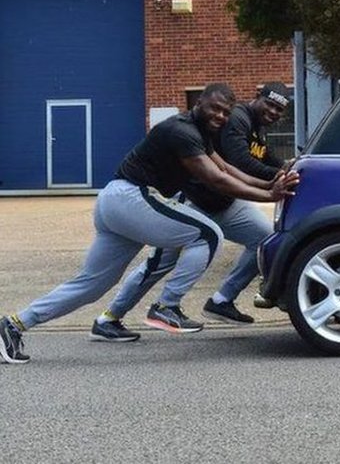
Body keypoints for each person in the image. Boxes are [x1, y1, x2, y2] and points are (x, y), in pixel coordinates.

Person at [0, 84, 300, 364]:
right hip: (132, 197)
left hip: (116, 204)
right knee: (207, 235)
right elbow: (216, 179)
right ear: (199, 103)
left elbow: (227, 168)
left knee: (91, 285)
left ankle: (13, 325)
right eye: (215, 108)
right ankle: (166, 307)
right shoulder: (179, 130)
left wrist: (269, 185)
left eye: (225, 111)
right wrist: (268, 194)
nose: (220, 115)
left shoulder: (201, 133)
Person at [88, 82, 296, 342]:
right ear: (258, 97)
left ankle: (222, 300)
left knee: (265, 239)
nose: (274, 112)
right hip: (195, 201)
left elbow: (261, 159)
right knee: (159, 265)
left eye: (279, 109)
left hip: (226, 202)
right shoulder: (236, 119)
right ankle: (112, 317)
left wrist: (286, 170)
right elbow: (234, 164)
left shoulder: (257, 128)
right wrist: (271, 185)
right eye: (271, 104)